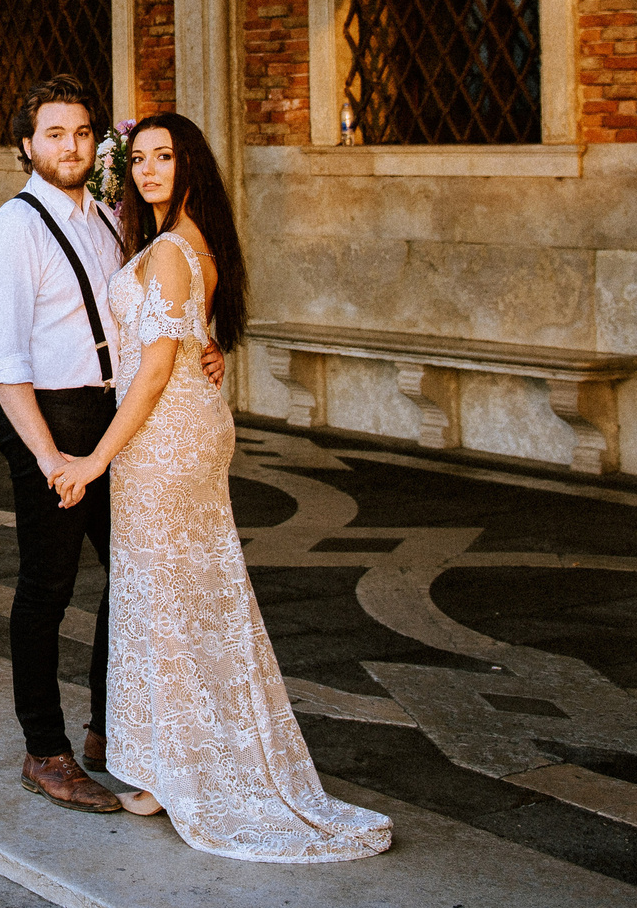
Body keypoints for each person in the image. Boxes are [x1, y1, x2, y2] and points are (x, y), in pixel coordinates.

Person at [50, 114, 392, 861]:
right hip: (178, 429)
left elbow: (153, 370)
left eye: (163, 156)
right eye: (138, 158)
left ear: (189, 163)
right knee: (179, 594)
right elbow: (186, 342)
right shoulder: (179, 240)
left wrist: (94, 459)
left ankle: (188, 769)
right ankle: (173, 762)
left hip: (163, 438)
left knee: (170, 595)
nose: (147, 169)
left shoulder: (173, 249)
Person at [0, 73, 227, 816]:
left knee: (133, 573)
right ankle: (44, 750)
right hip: (50, 421)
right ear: (27, 144)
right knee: (46, 587)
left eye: (82, 132)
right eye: (54, 133)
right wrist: (48, 454)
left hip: (117, 418)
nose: (70, 145)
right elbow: (2, 360)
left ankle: (107, 728)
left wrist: (202, 348)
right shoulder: (12, 229)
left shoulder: (109, 221)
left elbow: (147, 314)